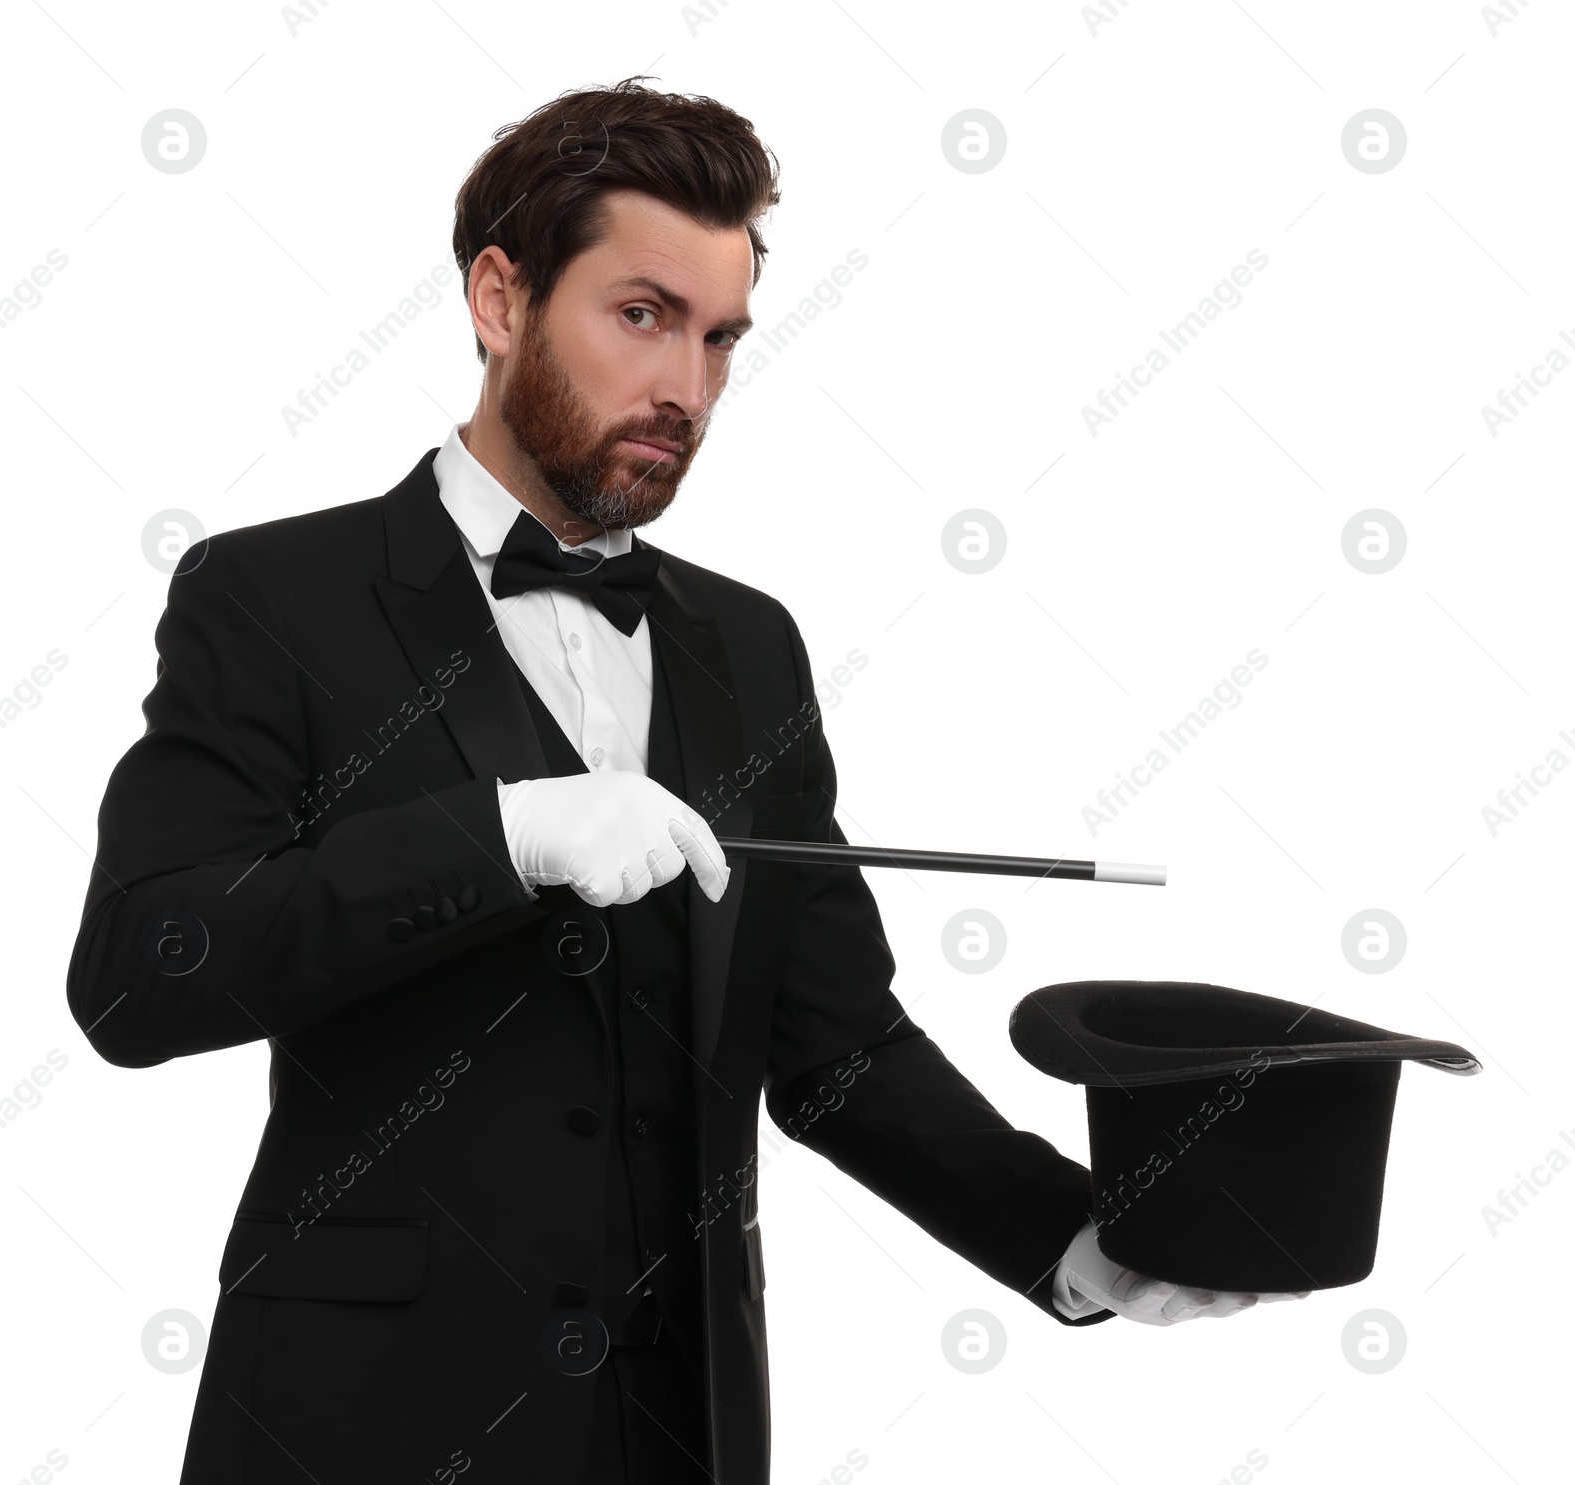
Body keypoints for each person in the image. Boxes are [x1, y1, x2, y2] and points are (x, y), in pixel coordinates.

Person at [67, 77, 1302, 1485]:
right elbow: (138, 976)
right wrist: (504, 832)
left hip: (679, 1430)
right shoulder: (276, 596)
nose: (688, 389)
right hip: (362, 1424)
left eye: (721, 339)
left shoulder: (749, 645)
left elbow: (838, 1048)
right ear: (499, 298)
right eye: (643, 316)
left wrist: (1073, 1240)